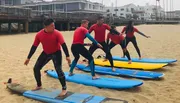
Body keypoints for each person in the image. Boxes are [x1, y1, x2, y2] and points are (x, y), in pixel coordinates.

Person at [24, 18, 71, 96]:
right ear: (46, 27)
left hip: (56, 53)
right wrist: (28, 58)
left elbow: (63, 45)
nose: (54, 27)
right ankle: (39, 85)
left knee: (58, 70)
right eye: (52, 26)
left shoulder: (57, 33)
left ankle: (64, 89)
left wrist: (67, 56)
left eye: (54, 25)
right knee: (36, 68)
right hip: (46, 52)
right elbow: (34, 46)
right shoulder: (39, 34)